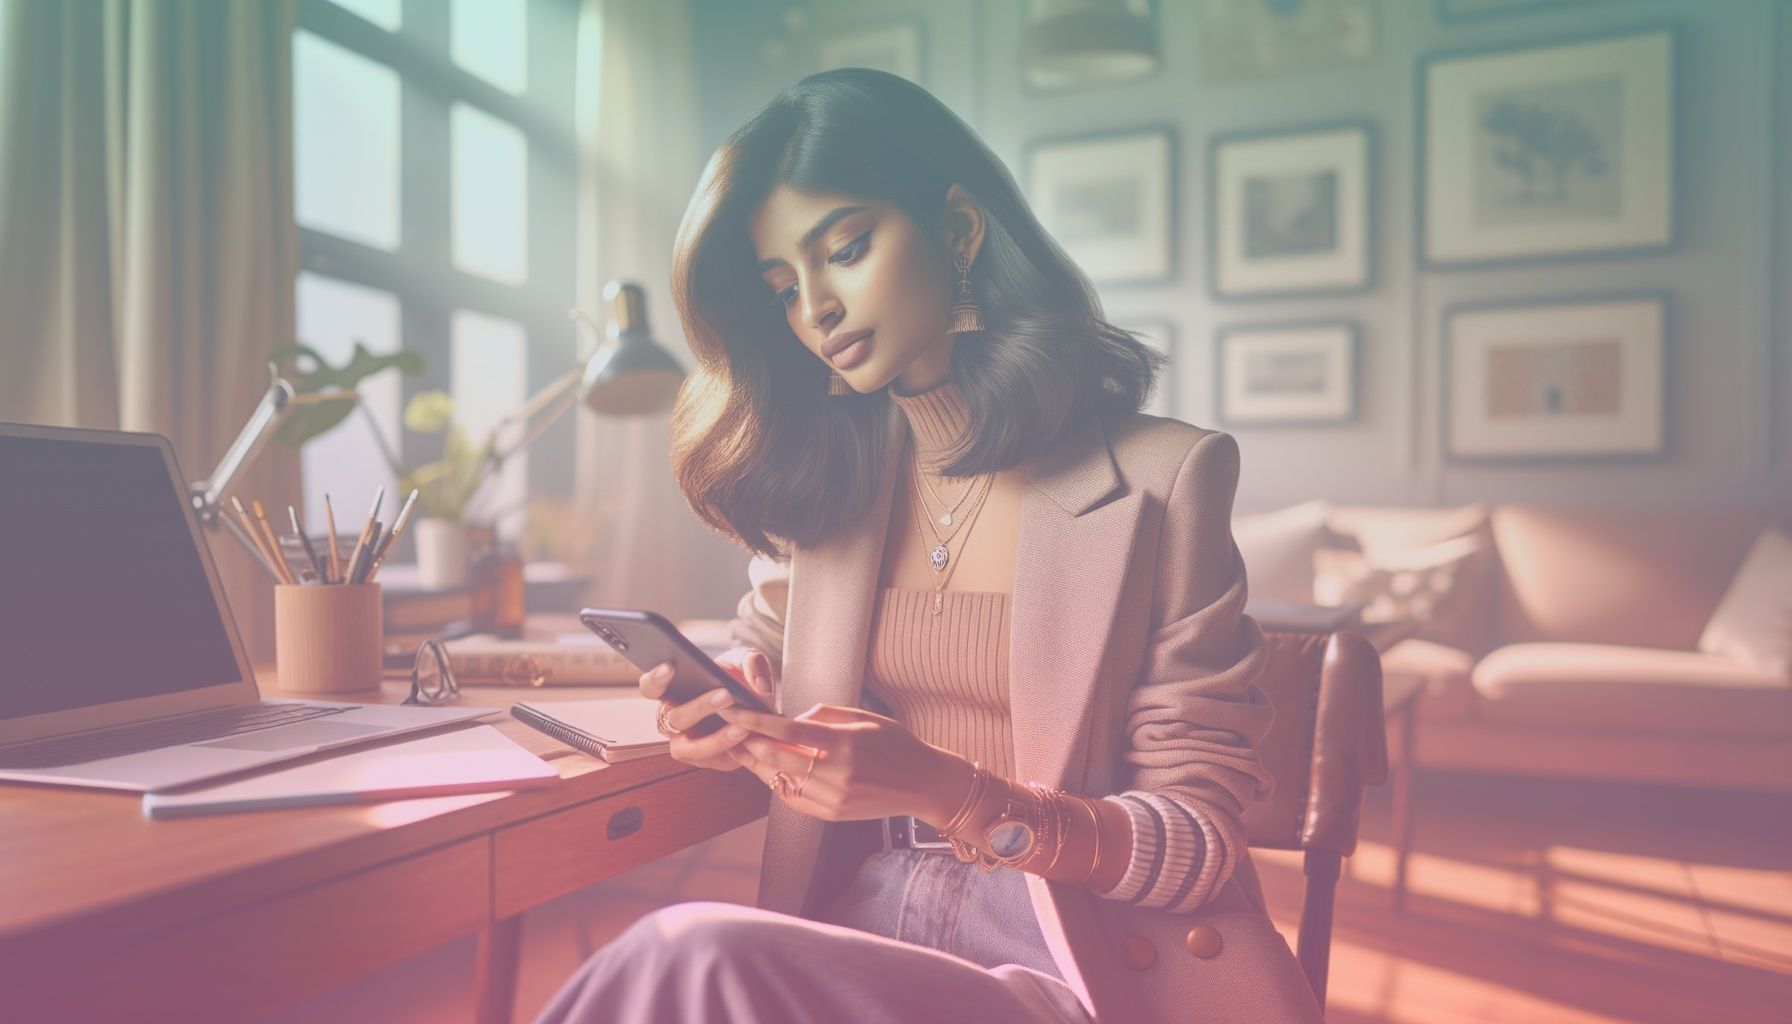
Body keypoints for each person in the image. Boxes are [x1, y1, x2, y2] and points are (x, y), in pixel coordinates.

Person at [535, 68, 1322, 1024]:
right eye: (785, 287)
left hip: (1074, 959)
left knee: (686, 955)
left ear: (958, 231)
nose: (816, 307)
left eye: (848, 249)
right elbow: (777, 670)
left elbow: (1197, 844)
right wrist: (740, 714)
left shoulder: (1167, 479)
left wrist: (950, 791)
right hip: (862, 924)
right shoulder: (822, 489)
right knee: (685, 965)